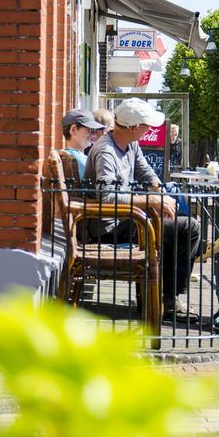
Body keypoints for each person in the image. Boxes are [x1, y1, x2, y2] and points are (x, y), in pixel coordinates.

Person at [84, 98, 201, 319]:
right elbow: (106, 197)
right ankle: (167, 299)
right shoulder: (106, 151)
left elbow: (147, 173)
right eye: (147, 125)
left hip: (128, 219)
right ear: (135, 127)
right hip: (108, 228)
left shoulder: (130, 144)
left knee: (178, 226)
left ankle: (160, 298)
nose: (151, 129)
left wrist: (162, 195)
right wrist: (152, 202)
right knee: (189, 229)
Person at [61, 108, 105, 179]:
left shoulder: (65, 154)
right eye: (89, 130)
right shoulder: (80, 159)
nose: (93, 134)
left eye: (93, 130)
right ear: (73, 130)